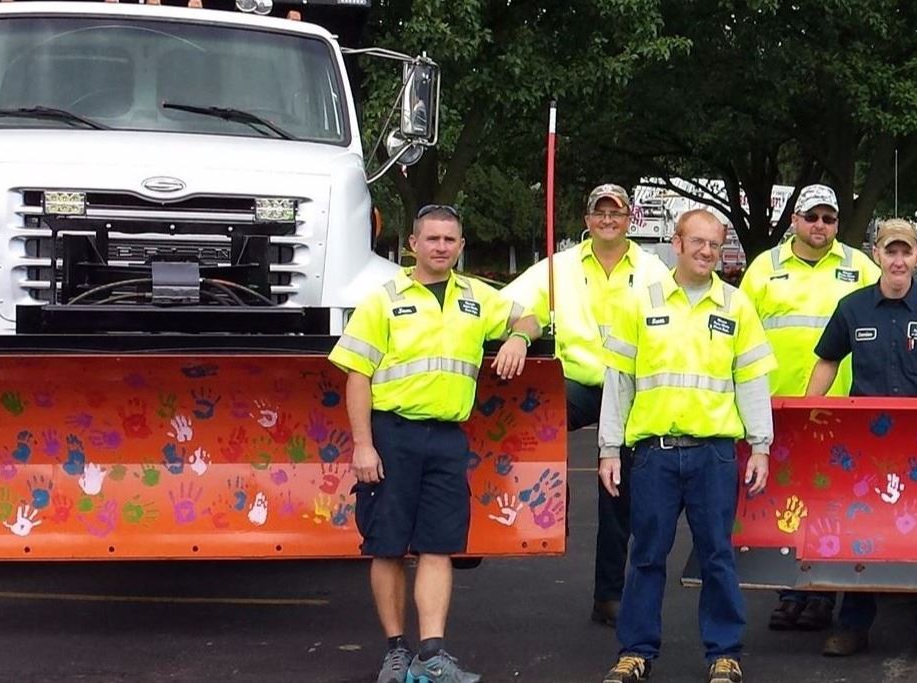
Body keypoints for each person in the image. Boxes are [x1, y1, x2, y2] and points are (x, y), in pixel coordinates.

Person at [329, 205, 543, 683]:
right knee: (387, 546)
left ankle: (432, 652)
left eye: (450, 240)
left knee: (438, 545)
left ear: (461, 246)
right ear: (413, 244)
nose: (441, 247)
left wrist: (519, 340)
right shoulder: (383, 299)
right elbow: (357, 376)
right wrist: (363, 446)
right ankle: (395, 651)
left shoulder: (477, 298)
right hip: (391, 434)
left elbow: (529, 316)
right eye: (432, 239)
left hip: (447, 439)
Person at [596, 210, 776, 683]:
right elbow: (619, 383)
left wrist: (760, 446)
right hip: (653, 453)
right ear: (675, 244)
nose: (706, 252)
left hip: (714, 454)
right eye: (697, 242)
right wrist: (608, 449)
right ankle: (635, 653)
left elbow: (752, 380)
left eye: (715, 245)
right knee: (647, 554)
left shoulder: (736, 307)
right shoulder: (639, 304)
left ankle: (724, 654)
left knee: (717, 554)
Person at [806, 219, 917, 659]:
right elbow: (827, 361)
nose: (899, 260)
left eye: (906, 252)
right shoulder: (852, 308)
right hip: (866, 444)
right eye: (890, 251)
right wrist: (806, 413)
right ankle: (853, 625)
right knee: (862, 527)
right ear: (877, 255)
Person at [502, 183, 670, 628]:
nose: (608, 220)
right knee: (528, 433)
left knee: (618, 490)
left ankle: (609, 596)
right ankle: (521, 514)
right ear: (587, 219)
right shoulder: (558, 268)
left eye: (616, 212)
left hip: (630, 386)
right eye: (600, 212)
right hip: (575, 381)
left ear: (630, 217)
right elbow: (510, 307)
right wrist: (521, 333)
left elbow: (671, 324)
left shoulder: (654, 270)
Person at [739, 183, 879, 632]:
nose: (820, 226)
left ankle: (821, 592)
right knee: (784, 500)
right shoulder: (764, 268)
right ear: (795, 220)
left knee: (831, 499)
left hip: (841, 406)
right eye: (812, 217)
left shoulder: (860, 266)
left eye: (829, 219)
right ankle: (790, 592)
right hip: (778, 405)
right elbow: (740, 333)